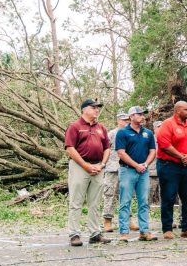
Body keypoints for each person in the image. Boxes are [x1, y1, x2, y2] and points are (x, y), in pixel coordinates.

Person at [64, 98, 112, 246]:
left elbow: (107, 148)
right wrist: (85, 165)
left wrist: (102, 165)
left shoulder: (101, 128)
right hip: (80, 167)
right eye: (93, 107)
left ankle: (95, 233)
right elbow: (70, 148)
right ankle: (74, 234)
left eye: (97, 108)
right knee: (76, 201)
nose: (97, 110)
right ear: (84, 109)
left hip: (98, 167)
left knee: (95, 202)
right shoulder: (75, 126)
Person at [155, 101, 187, 239]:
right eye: (186, 109)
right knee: (169, 197)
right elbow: (164, 144)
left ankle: (186, 228)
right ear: (177, 111)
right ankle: (167, 229)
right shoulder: (167, 124)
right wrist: (181, 156)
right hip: (169, 165)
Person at [115, 106, 157, 242]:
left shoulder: (148, 133)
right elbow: (121, 152)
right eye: (139, 114)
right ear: (131, 116)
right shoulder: (122, 133)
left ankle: (144, 231)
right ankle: (124, 232)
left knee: (144, 201)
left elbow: (152, 151)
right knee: (125, 201)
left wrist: (145, 164)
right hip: (127, 170)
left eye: (143, 114)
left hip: (144, 172)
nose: (142, 116)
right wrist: (136, 165)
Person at [103, 113, 130, 233]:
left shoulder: (130, 133)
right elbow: (104, 149)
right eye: (124, 120)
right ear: (118, 120)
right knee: (110, 194)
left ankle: (128, 220)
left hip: (126, 168)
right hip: (112, 168)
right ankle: (107, 221)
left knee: (127, 195)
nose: (126, 122)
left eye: (127, 120)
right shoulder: (112, 134)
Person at [148, 120, 163, 206]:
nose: (161, 129)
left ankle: (164, 217)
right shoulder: (149, 140)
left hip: (164, 172)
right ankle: (144, 217)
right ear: (154, 129)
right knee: (147, 196)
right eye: (159, 127)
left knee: (165, 196)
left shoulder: (168, 139)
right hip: (151, 172)